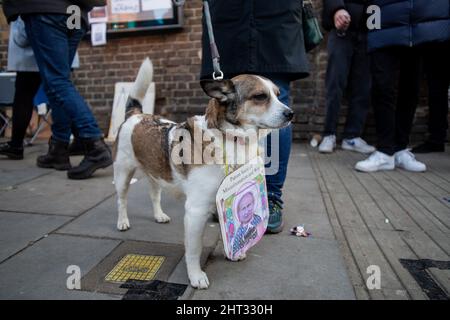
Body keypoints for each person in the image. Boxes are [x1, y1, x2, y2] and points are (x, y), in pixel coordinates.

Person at [201, 0, 310, 233]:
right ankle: (227, 193)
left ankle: (269, 196)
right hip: (230, 16)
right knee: (225, 106)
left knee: (276, 111)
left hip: (273, 14)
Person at [2, 0, 112, 179]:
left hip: (47, 9)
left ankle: (95, 145)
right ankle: (59, 149)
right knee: (59, 81)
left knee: (57, 82)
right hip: (76, 12)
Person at [355, 0, 450, 172]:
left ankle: (399, 147)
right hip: (382, 15)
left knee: (411, 87)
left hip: (422, 19)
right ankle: (385, 150)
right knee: (382, 86)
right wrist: (370, 22)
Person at [319, 0, 375, 154]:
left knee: (363, 87)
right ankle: (328, 134)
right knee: (335, 84)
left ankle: (352, 136)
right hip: (341, 31)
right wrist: (337, 9)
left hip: (369, 32)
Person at [412, 42, 450, 153]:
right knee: (436, 90)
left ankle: (436, 140)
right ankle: (436, 140)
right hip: (437, 40)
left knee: (436, 89)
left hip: (437, 38)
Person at [232, 192, 262, 257]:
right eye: (243, 209)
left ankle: (272, 195)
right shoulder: (239, 232)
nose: (247, 211)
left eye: (249, 205)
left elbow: (260, 232)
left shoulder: (257, 218)